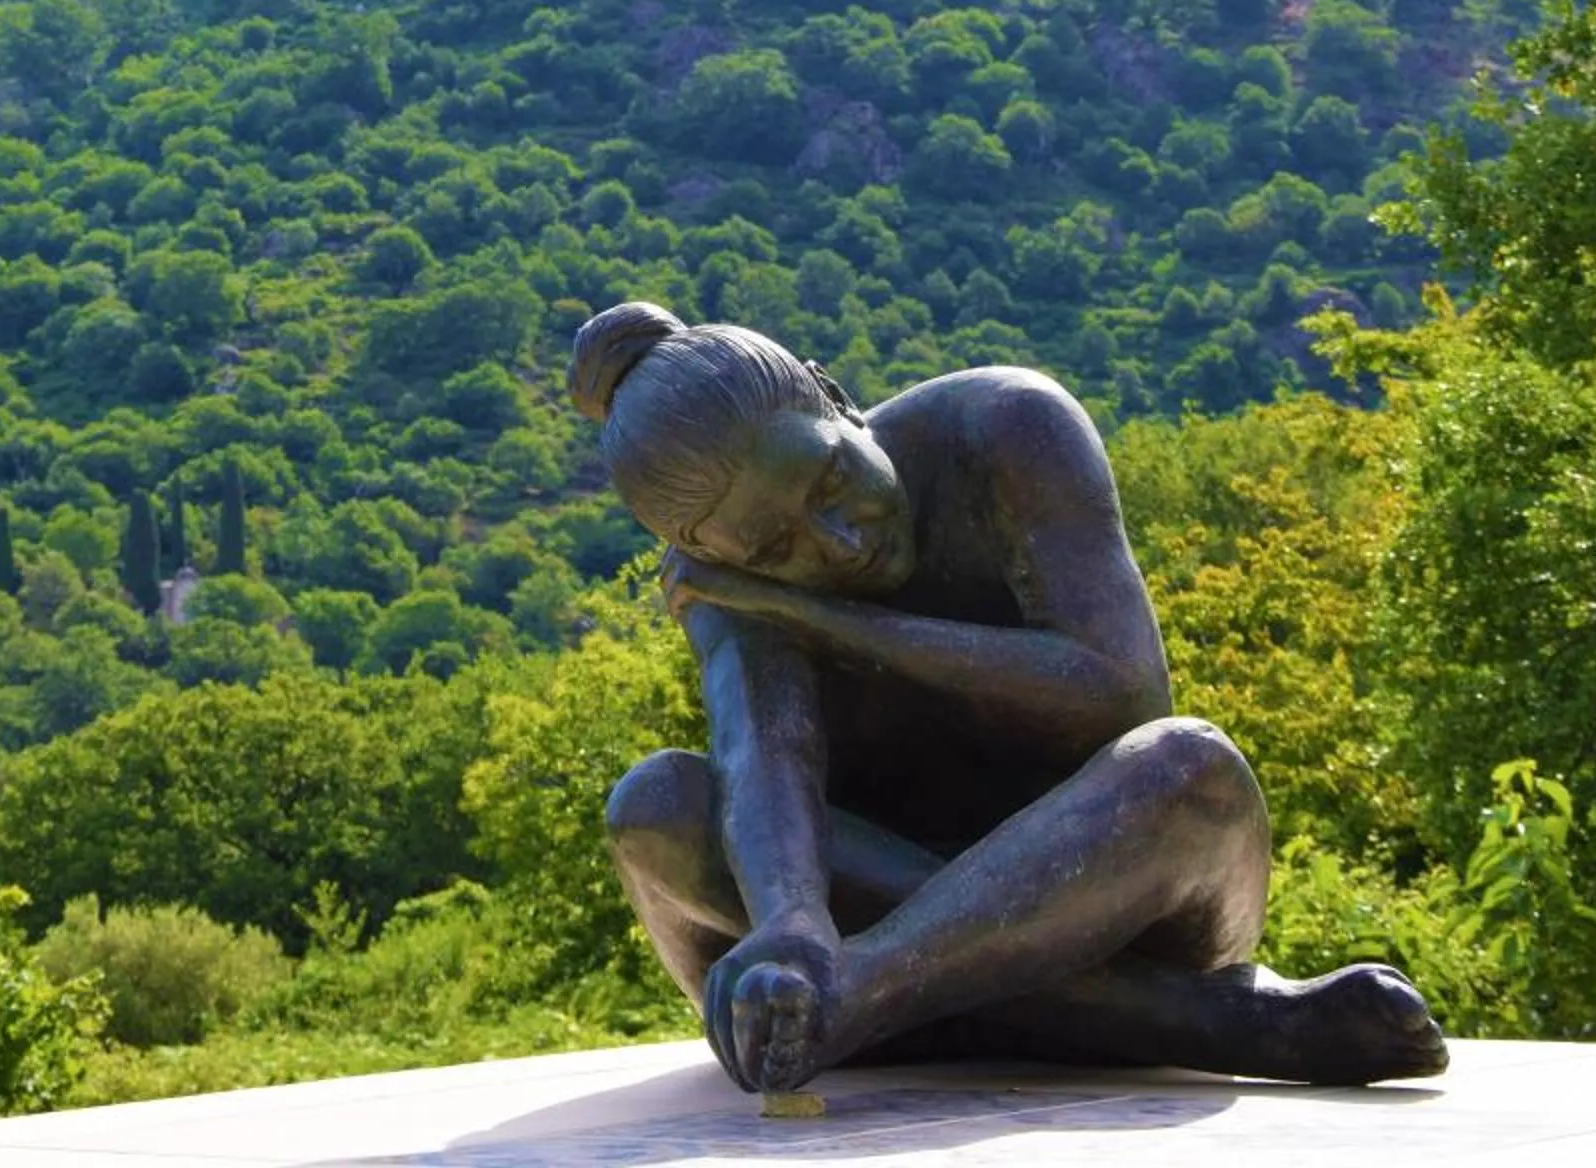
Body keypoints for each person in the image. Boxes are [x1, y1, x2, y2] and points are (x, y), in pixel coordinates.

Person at [571, 300, 1448, 1094]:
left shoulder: (1005, 429)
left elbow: (1120, 697)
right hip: (855, 963)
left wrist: (818, 616)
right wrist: (796, 924)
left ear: (834, 399)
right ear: (722, 553)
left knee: (1192, 767)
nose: (837, 545)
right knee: (657, 806)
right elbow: (766, 759)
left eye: (833, 482)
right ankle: (1219, 1023)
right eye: (775, 548)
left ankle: (884, 984)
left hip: (1106, 915)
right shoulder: (732, 590)